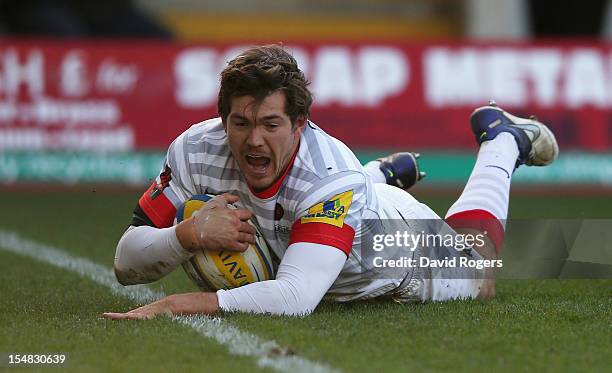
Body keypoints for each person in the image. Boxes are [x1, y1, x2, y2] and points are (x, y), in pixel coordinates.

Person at [103, 44, 558, 320]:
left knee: (481, 267)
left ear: (300, 123)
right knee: (312, 208)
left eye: (270, 124)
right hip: (331, 207)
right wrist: (188, 233)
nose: (253, 140)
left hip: (391, 249)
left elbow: (296, 296)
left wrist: (175, 305)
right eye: (239, 123)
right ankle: (375, 177)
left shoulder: (328, 174)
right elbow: (126, 260)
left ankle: (501, 141)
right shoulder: (194, 148)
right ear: (223, 118)